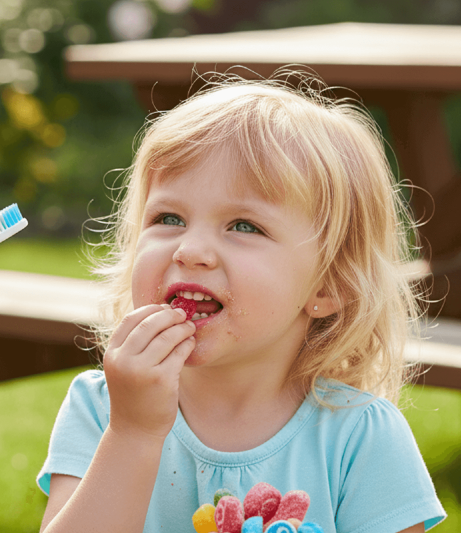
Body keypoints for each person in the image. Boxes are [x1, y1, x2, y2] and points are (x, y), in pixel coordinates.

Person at [36, 79, 446, 533]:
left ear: (329, 285)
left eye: (244, 226)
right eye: (168, 219)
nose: (190, 250)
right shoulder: (103, 407)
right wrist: (133, 434)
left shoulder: (360, 436)